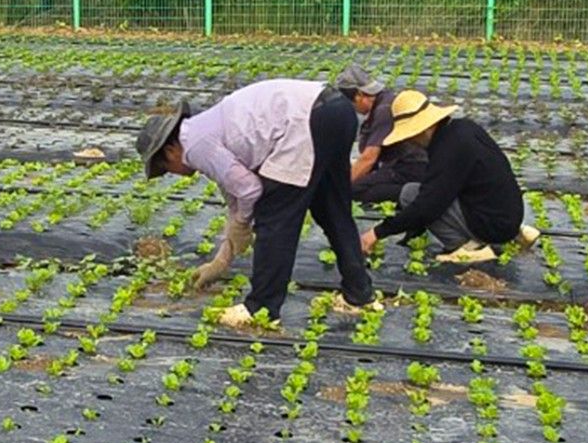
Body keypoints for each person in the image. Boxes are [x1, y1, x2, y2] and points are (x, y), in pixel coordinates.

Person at [136, 79, 377, 329]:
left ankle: (261, 308)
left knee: (275, 216)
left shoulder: (194, 146)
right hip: (337, 110)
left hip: (305, 122)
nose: (172, 173)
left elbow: (250, 190)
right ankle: (359, 294)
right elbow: (234, 196)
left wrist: (242, 223)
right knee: (332, 211)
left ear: (170, 150)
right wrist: (222, 258)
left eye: (165, 168)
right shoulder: (202, 130)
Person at [358, 90, 539, 264]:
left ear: (422, 129)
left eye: (410, 135)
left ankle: (468, 249)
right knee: (429, 191)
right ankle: (515, 234)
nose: (409, 141)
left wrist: (377, 232)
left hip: (493, 225)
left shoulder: (448, 149)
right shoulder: (463, 128)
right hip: (509, 215)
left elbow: (428, 207)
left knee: (410, 193)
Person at [334, 63, 428, 205]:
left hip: (411, 166)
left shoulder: (383, 110)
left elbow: (369, 158)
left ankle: (414, 193)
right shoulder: (385, 98)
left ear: (359, 95)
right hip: (407, 162)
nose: (355, 110)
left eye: (352, 104)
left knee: (353, 189)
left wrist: (338, 189)